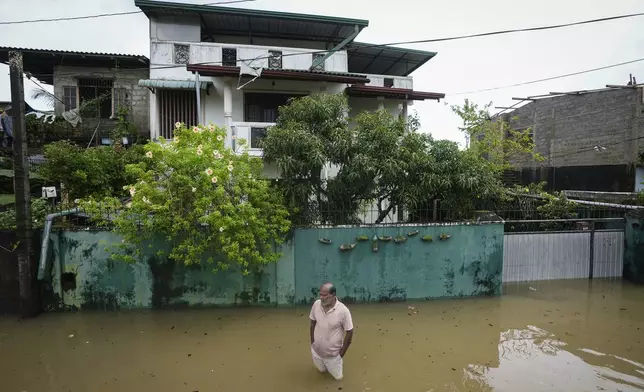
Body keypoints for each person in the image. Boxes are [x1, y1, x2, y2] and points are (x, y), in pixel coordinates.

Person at [309, 282, 354, 380]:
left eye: (325, 295)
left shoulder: (343, 311)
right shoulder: (316, 305)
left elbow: (350, 332)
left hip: (333, 357)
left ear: (333, 295)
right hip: (316, 352)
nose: (321, 297)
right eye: (320, 294)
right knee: (321, 371)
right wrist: (312, 342)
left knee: (338, 379)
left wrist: (341, 354)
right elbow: (312, 323)